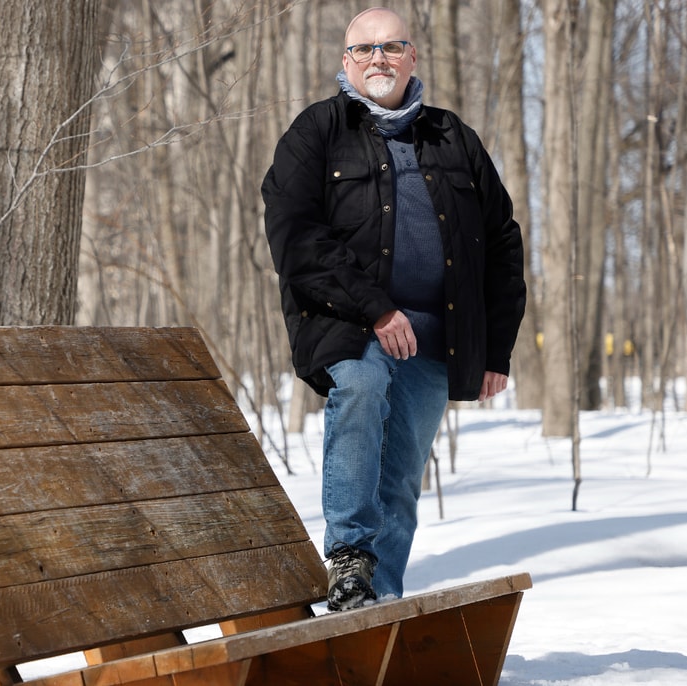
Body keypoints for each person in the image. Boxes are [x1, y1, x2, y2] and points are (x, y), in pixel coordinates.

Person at [260, 7, 526, 611]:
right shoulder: (317, 131)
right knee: (357, 389)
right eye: (364, 50)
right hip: (349, 322)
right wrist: (378, 310)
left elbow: (501, 242)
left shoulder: (452, 136)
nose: (377, 59)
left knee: (402, 478)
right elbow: (294, 236)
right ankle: (350, 556)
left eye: (391, 47)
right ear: (345, 61)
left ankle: (376, 607)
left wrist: (495, 348)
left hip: (438, 333)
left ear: (413, 56)